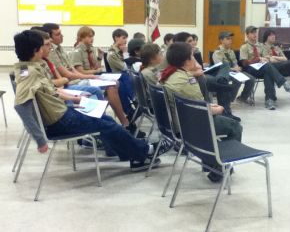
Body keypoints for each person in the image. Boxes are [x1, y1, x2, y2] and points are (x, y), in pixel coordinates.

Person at [13, 30, 172, 170]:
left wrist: (75, 99)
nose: (45, 48)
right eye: (43, 46)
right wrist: (40, 139)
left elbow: (50, 91)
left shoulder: (32, 67)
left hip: (63, 113)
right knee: (106, 125)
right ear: (36, 50)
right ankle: (145, 151)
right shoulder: (28, 73)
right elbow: (21, 106)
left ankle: (132, 153)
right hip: (60, 121)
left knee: (105, 117)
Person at [160, 42, 242, 182]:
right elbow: (202, 111)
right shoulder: (186, 80)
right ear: (186, 61)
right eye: (192, 56)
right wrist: (219, 108)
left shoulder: (170, 75)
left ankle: (212, 164)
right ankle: (219, 167)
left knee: (223, 117)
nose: (195, 60)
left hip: (177, 122)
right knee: (235, 126)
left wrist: (210, 106)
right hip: (189, 127)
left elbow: (195, 103)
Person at [43, 23, 134, 129]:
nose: (62, 36)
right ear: (82, 37)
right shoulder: (75, 51)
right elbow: (74, 73)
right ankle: (119, 120)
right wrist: (93, 75)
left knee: (118, 81)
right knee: (112, 85)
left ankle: (124, 116)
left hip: (78, 78)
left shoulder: (81, 49)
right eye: (89, 36)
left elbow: (88, 68)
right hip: (74, 81)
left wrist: (99, 58)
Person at [173, 32, 240, 121]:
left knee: (225, 65)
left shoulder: (190, 52)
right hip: (196, 79)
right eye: (190, 41)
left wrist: (197, 70)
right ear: (181, 43)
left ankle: (221, 80)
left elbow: (199, 67)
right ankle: (225, 113)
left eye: (193, 40)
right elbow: (177, 73)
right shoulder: (177, 54)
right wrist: (195, 72)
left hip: (202, 74)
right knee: (225, 85)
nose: (193, 43)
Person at [240, 26, 290, 110]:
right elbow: (244, 63)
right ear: (247, 35)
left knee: (267, 73)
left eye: (255, 32)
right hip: (250, 69)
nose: (255, 34)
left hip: (262, 67)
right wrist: (258, 59)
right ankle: (283, 82)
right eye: (252, 33)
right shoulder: (244, 47)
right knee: (268, 66)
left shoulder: (260, 46)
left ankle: (269, 100)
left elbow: (266, 56)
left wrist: (266, 58)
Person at [212, 31, 255, 105]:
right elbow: (220, 67)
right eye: (228, 39)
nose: (230, 41)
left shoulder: (231, 51)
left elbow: (235, 62)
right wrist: (233, 69)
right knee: (237, 80)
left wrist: (237, 68)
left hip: (234, 72)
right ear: (221, 40)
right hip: (224, 73)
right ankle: (229, 100)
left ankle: (243, 98)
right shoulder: (217, 52)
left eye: (231, 39)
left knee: (251, 79)